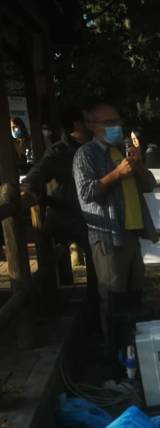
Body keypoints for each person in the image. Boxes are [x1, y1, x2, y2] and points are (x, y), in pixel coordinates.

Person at [72, 102, 157, 376]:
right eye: (108, 122)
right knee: (113, 302)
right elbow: (85, 193)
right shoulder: (85, 155)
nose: (115, 126)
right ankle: (113, 366)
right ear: (93, 126)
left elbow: (149, 185)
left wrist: (137, 165)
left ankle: (134, 357)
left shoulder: (122, 151)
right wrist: (116, 174)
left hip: (131, 235)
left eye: (117, 120)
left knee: (134, 300)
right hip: (108, 237)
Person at [22, 104, 96, 318]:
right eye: (87, 120)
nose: (91, 124)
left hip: (86, 217)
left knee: (96, 261)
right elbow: (39, 172)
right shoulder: (59, 152)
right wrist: (26, 190)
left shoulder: (93, 147)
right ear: (78, 124)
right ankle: (47, 308)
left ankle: (93, 307)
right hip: (65, 216)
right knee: (88, 254)